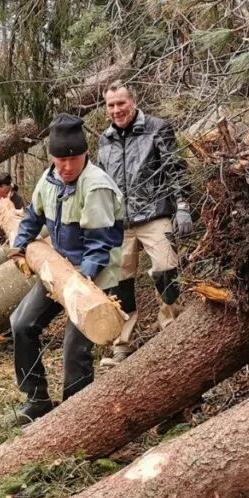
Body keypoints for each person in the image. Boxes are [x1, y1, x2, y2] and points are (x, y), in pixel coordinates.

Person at [8, 113, 125, 423]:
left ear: (85, 153)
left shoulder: (96, 185)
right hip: (58, 269)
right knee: (21, 324)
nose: (67, 166)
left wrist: (80, 285)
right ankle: (36, 399)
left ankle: (76, 417)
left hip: (94, 275)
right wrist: (18, 246)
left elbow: (101, 244)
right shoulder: (48, 180)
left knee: (75, 347)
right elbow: (32, 218)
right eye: (60, 159)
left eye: (73, 158)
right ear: (52, 157)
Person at [97, 83, 193, 363]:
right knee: (120, 283)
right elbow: (101, 183)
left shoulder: (157, 128)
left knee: (167, 270)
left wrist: (183, 207)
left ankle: (172, 332)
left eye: (121, 103)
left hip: (155, 214)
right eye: (111, 105)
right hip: (120, 223)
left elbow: (176, 169)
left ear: (134, 102)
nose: (116, 110)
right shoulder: (105, 140)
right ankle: (122, 344)